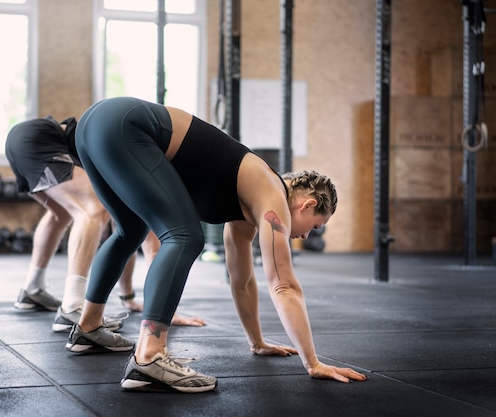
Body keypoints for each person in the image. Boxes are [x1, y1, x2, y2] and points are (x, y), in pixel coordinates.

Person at [67, 96, 368, 393]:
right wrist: (313, 363)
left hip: (95, 126)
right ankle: (150, 355)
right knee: (185, 235)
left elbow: (243, 282)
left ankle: (89, 328)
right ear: (308, 204)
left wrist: (257, 343)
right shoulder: (272, 197)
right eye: (314, 226)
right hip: (125, 126)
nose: (305, 236)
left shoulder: (245, 208)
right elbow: (284, 286)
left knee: (130, 230)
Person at [5, 116, 204, 333]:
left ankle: (32, 289)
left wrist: (128, 298)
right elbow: (149, 242)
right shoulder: (137, 163)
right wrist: (163, 311)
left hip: (22, 139)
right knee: (92, 209)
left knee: (60, 214)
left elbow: (130, 234)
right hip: (41, 138)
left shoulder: (126, 157)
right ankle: (72, 306)